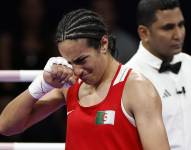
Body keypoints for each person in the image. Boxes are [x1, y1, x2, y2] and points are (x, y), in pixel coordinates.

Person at [0, 9, 170, 150]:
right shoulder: (69, 86)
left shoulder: (137, 89)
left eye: (81, 60)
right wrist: (41, 86)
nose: (77, 71)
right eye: (70, 63)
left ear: (103, 44)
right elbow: (6, 127)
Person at [126, 0, 191, 149]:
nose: (178, 35)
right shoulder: (129, 77)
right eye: (168, 28)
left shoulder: (190, 65)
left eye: (181, 25)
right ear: (144, 33)